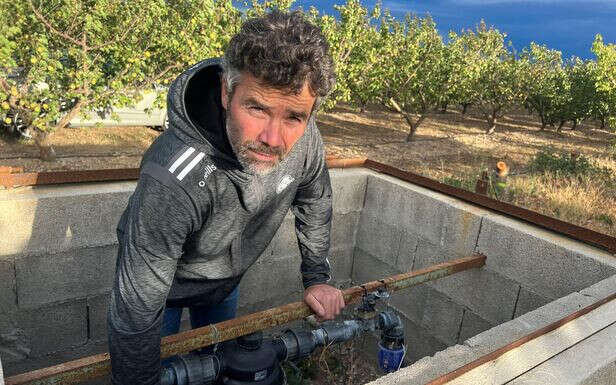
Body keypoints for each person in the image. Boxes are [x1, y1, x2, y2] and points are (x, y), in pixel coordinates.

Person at [107, 10, 345, 385]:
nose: (273, 138)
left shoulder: (306, 140)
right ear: (225, 91)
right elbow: (135, 312)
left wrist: (317, 278)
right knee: (161, 365)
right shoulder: (173, 178)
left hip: (224, 282)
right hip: (162, 290)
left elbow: (315, 199)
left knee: (219, 365)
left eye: (294, 117)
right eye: (257, 108)